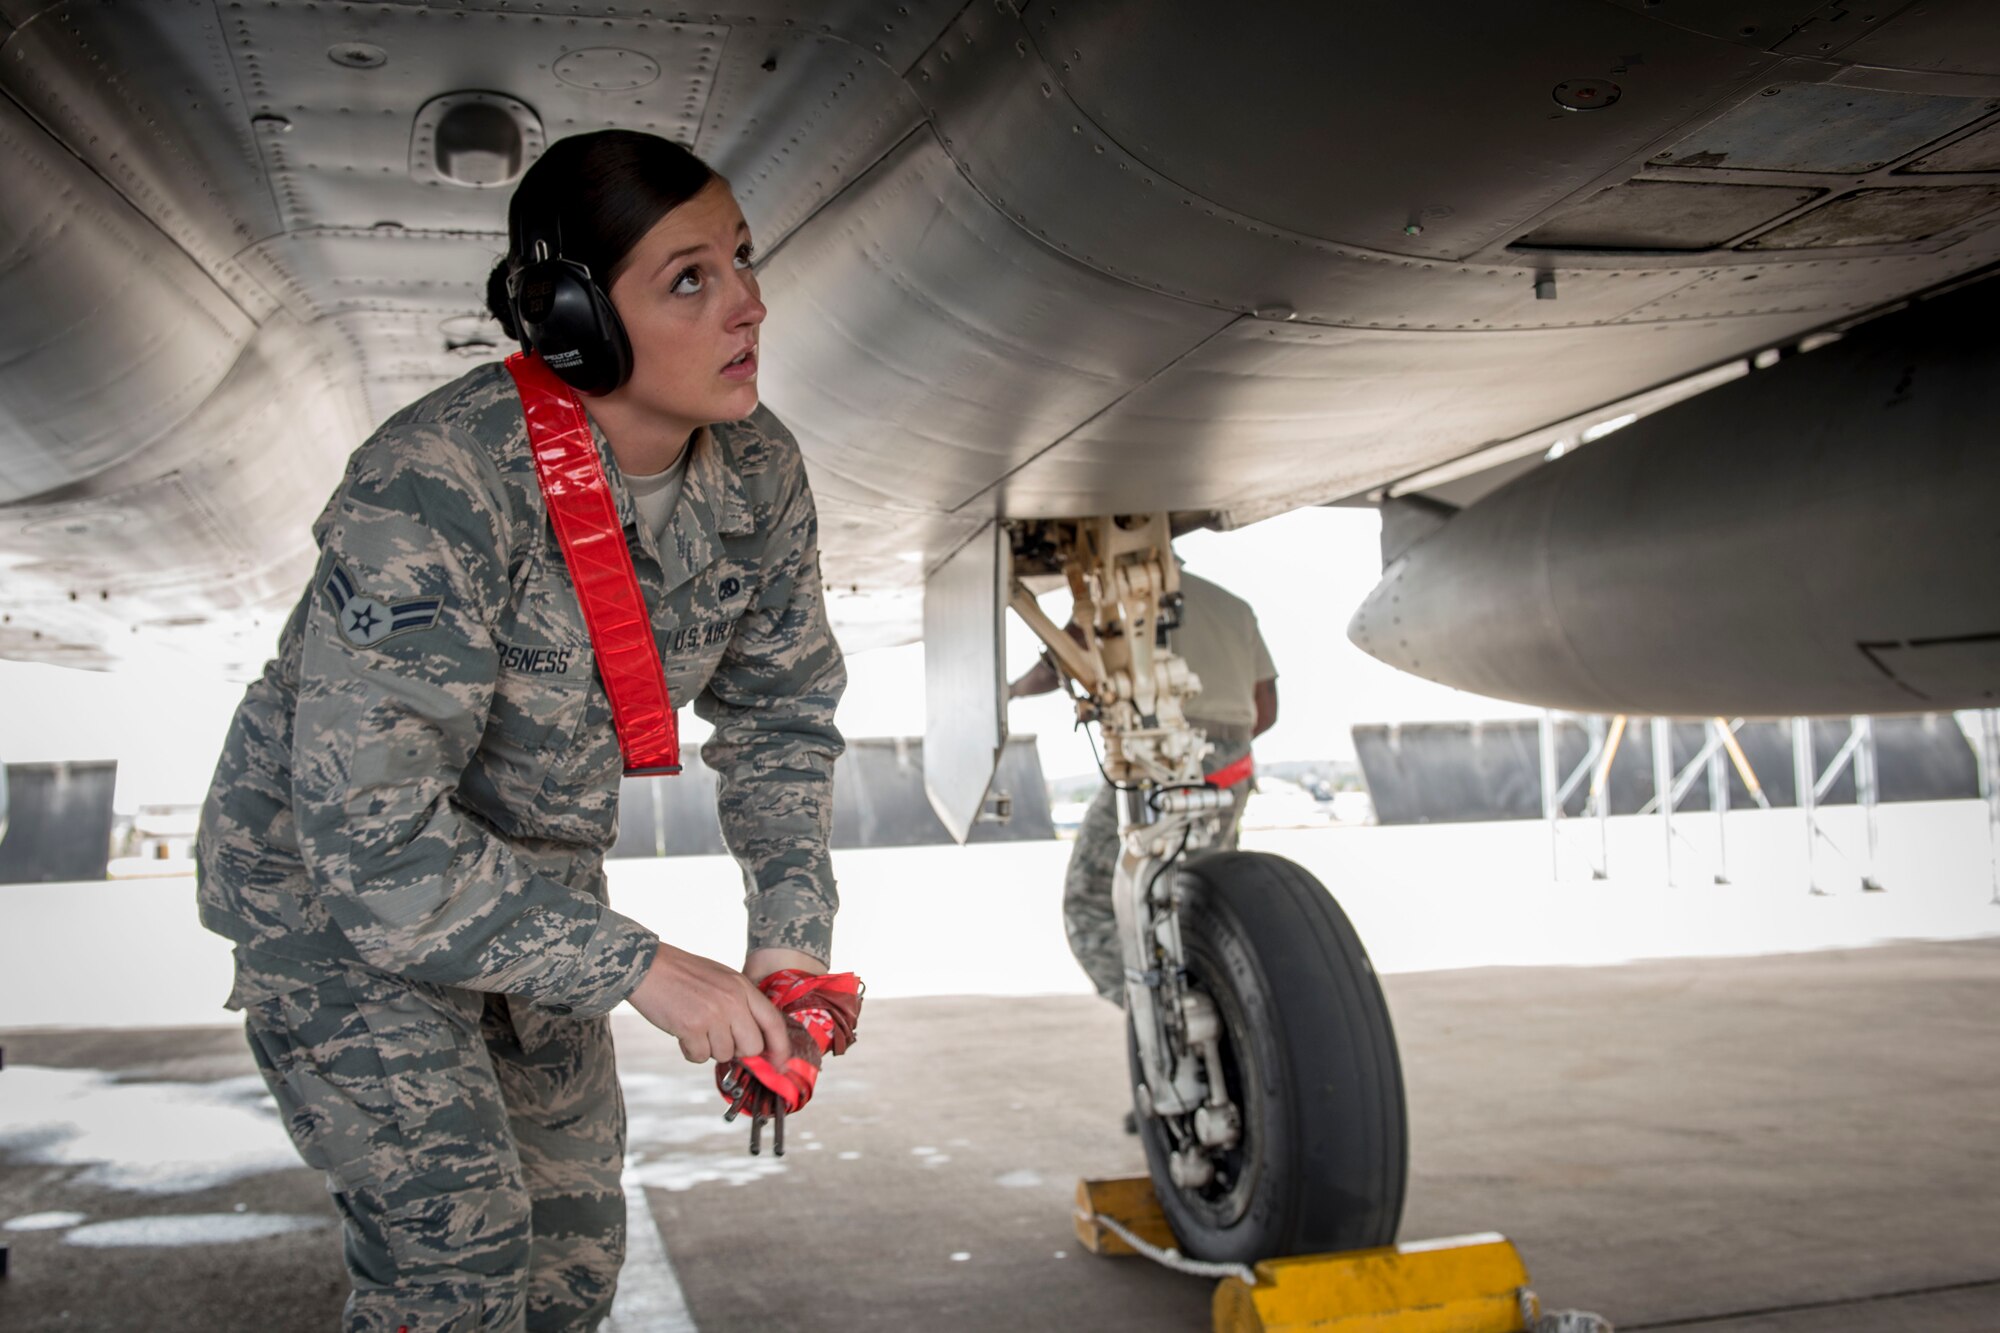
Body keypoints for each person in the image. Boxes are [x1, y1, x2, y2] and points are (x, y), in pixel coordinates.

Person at [196, 130, 849, 1332]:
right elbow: (374, 852)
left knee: (567, 1269)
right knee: (459, 1274)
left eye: (744, 261)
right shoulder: (434, 484)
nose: (749, 305)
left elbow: (781, 717)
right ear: (571, 316)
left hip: (531, 883)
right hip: (335, 906)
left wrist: (786, 950)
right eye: (689, 279)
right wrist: (646, 969)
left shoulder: (758, 470)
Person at [1009, 565, 1277, 1005]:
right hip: (1232, 768)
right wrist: (1216, 755)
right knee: (1207, 893)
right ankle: (1226, 1004)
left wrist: (1011, 691)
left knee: (1091, 901)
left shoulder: (1117, 596)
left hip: (1157, 758)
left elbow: (1057, 662)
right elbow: (1265, 708)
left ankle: (1155, 1014)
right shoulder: (1234, 606)